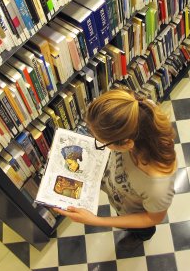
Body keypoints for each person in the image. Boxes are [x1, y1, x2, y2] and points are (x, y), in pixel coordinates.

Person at [54, 88, 177, 241]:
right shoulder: (139, 112)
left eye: (103, 142)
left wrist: (95, 221)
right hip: (120, 196)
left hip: (135, 215)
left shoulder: (158, 188)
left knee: (140, 234)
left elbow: (153, 218)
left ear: (126, 144)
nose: (101, 144)